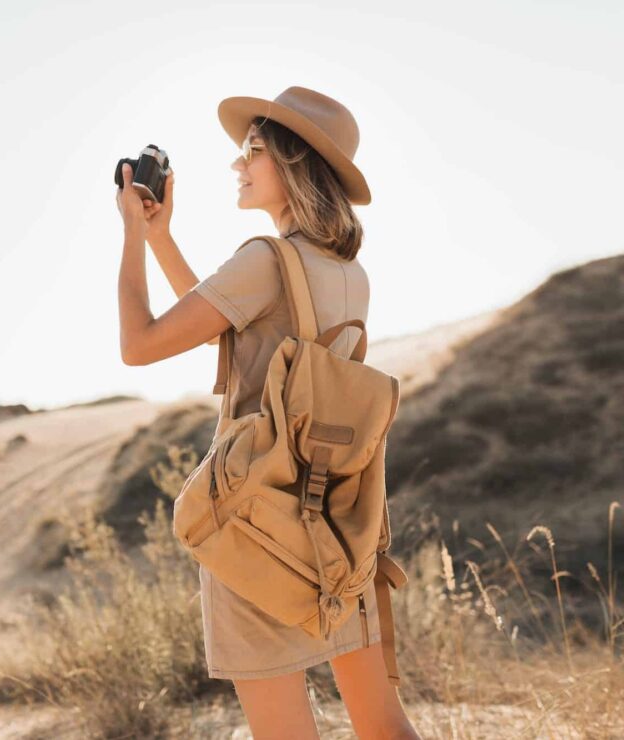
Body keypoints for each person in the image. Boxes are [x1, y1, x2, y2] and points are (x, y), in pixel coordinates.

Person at [116, 86, 420, 740]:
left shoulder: (263, 260)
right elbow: (222, 321)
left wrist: (133, 235)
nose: (237, 165)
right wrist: (166, 237)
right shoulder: (349, 272)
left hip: (254, 521)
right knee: (384, 725)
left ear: (294, 163)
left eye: (252, 151)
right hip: (341, 522)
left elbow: (140, 344)